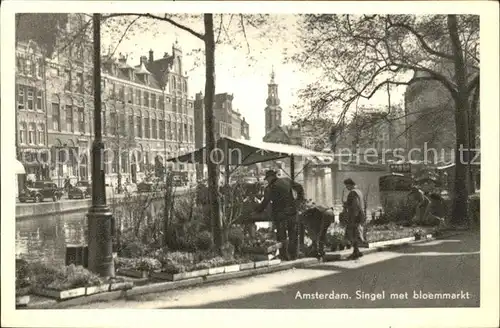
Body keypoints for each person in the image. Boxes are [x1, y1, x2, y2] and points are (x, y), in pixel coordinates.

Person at [253, 170, 305, 260]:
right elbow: (300, 188)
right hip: (292, 212)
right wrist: (299, 200)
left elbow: (265, 203)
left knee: (282, 236)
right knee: (293, 234)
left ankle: (284, 256)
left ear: (270, 177)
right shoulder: (286, 180)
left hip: (280, 215)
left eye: (267, 179)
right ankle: (294, 255)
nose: (267, 181)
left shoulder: (269, 188)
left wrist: (256, 211)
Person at [343, 178, 366, 260]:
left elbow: (355, 204)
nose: (346, 187)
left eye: (346, 185)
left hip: (354, 216)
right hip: (359, 215)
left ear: (350, 184)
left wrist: (353, 215)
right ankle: (357, 251)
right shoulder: (359, 191)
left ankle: (355, 252)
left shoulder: (353, 193)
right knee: (355, 233)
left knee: (352, 233)